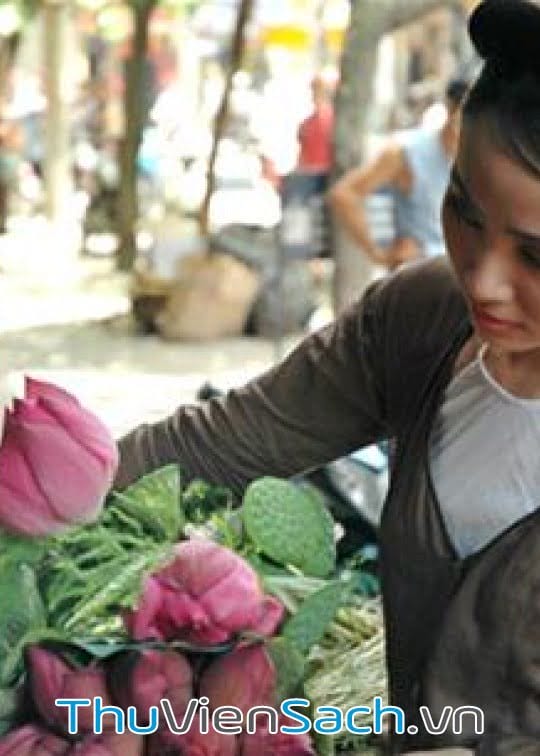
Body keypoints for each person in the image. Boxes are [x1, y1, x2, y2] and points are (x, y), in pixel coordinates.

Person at [115, 1, 540, 752]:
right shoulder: (421, 319)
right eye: (463, 213)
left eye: (536, 257)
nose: (484, 280)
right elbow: (213, 448)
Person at [328, 77, 470, 271]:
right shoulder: (407, 152)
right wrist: (378, 254)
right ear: (450, 108)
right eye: (463, 110)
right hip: (421, 278)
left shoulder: (487, 159)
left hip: (465, 279)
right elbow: (344, 195)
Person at [296, 71, 336, 173]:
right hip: (309, 176)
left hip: (320, 177)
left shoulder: (332, 122)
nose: (314, 95)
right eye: (315, 90)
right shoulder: (306, 124)